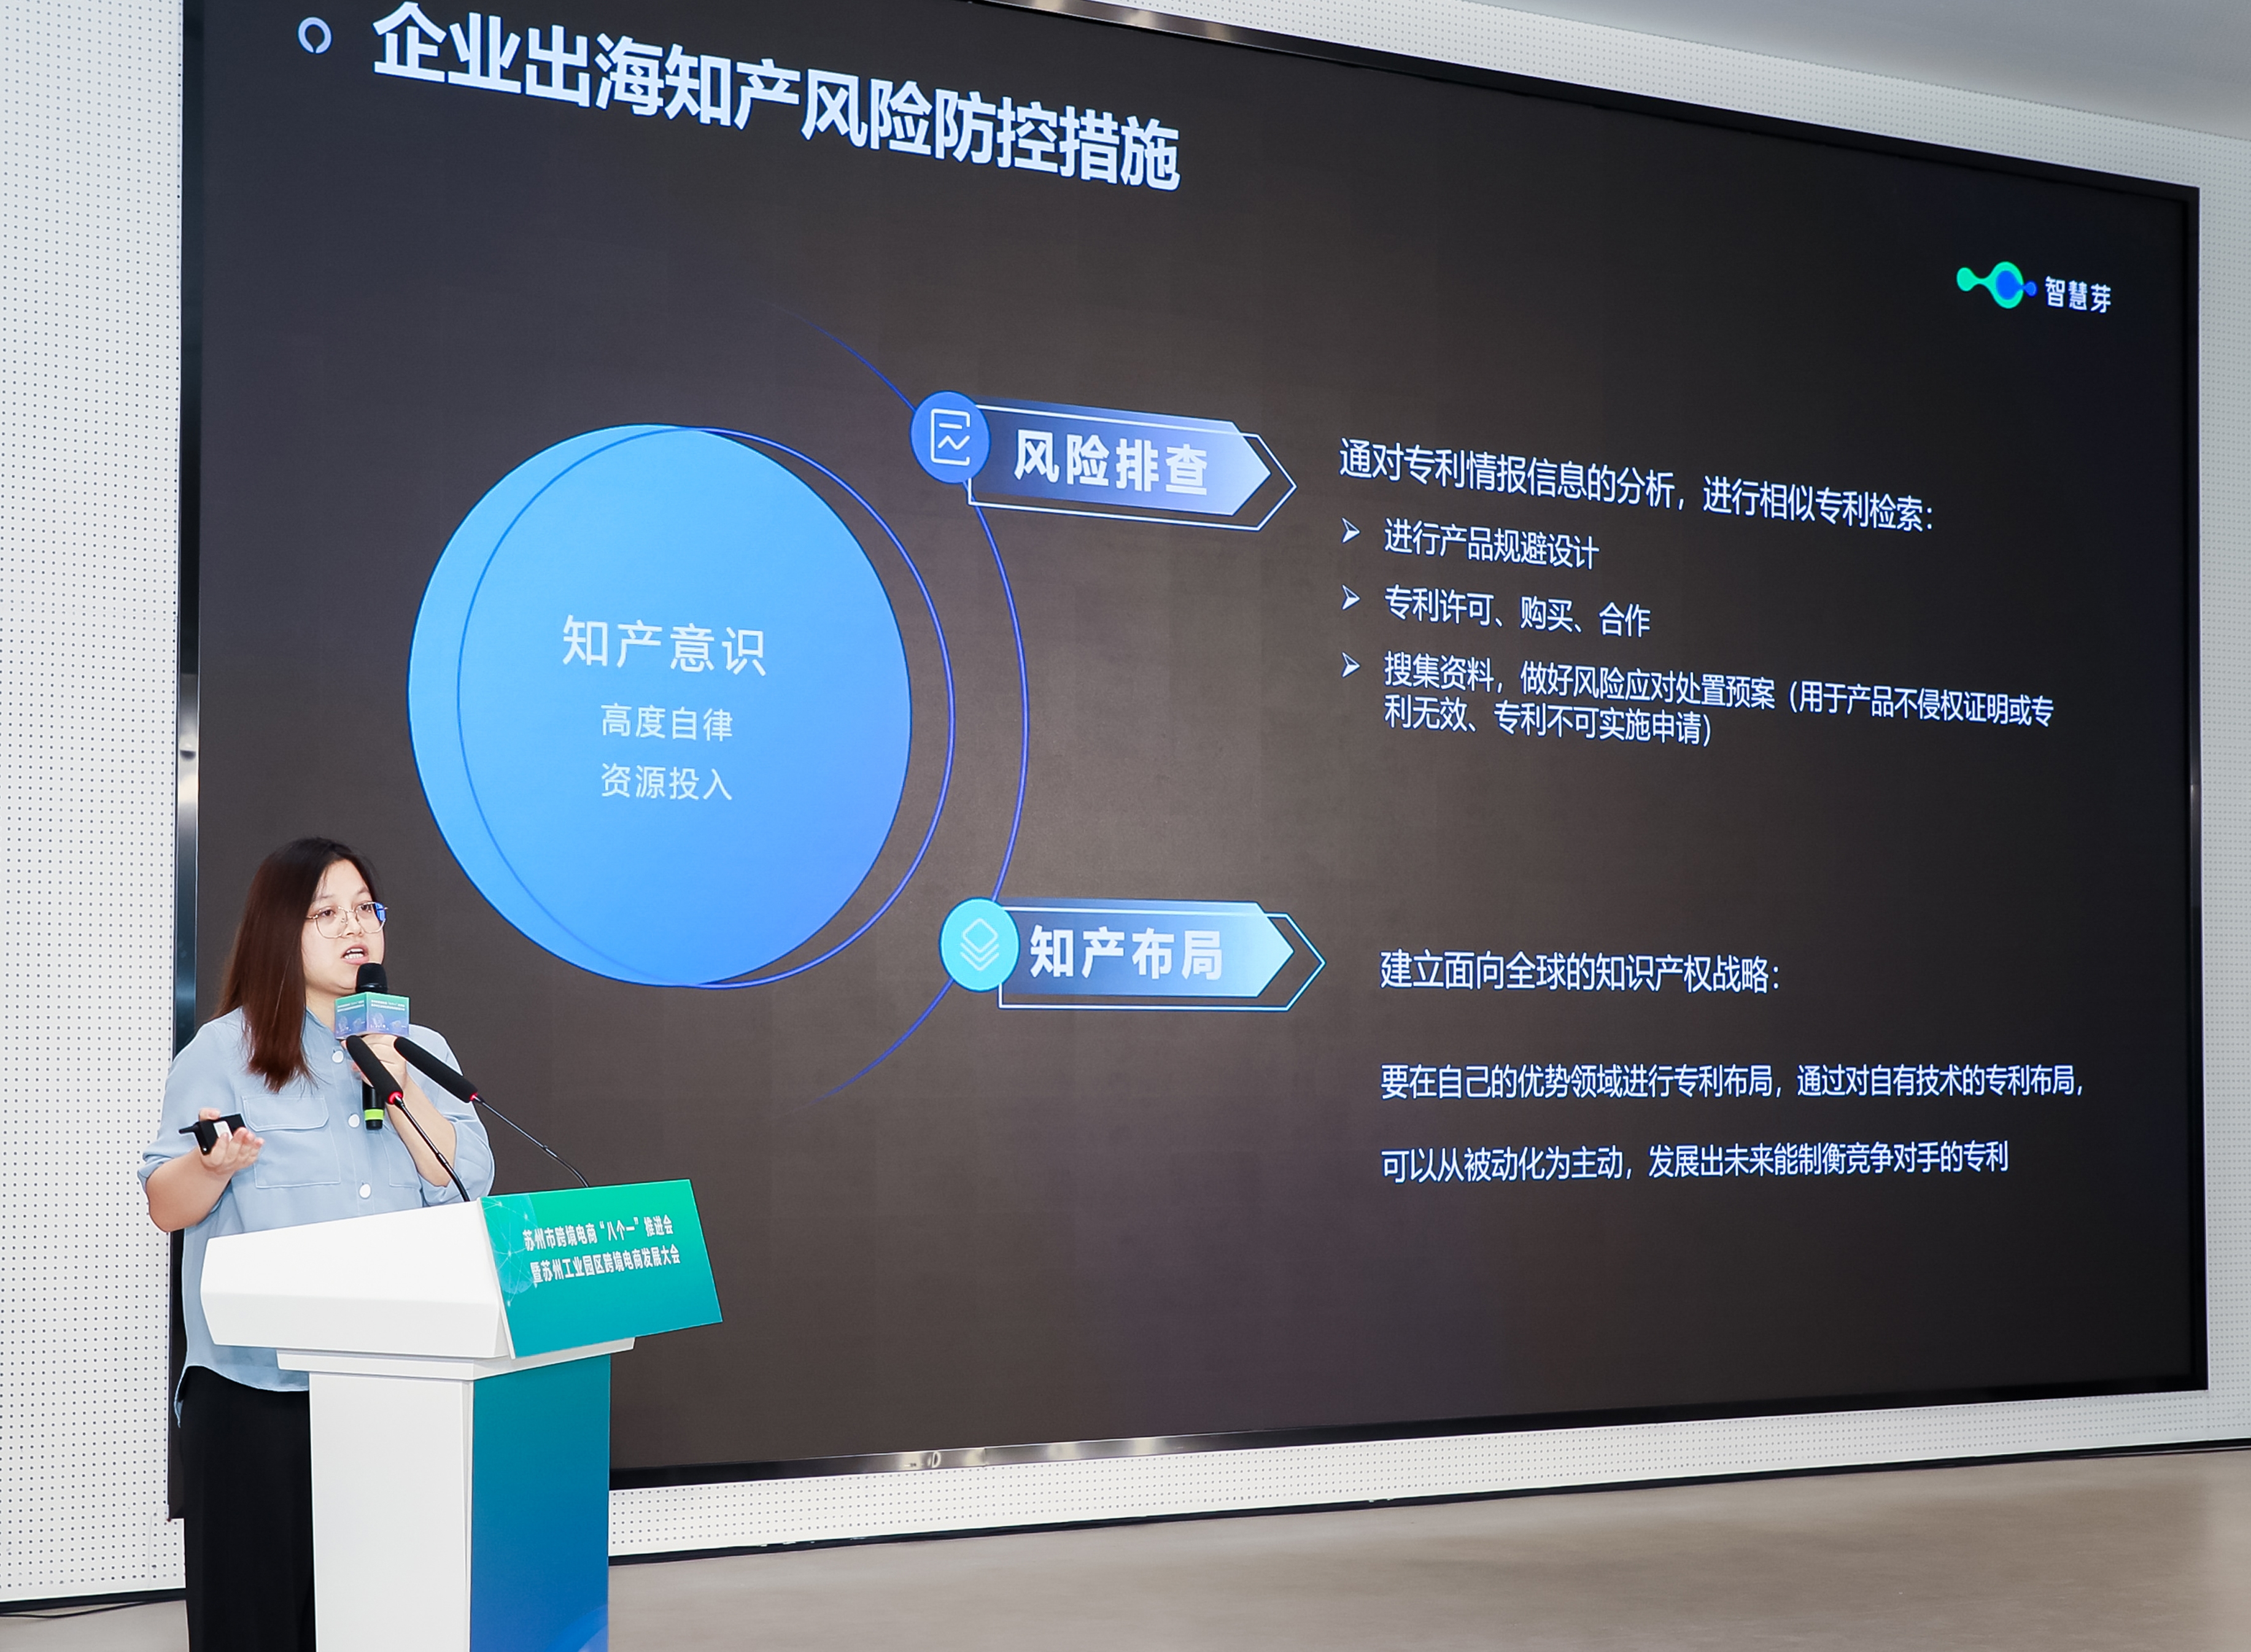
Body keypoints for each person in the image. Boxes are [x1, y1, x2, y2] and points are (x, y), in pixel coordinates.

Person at [141, 838, 494, 1651]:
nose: (354, 927)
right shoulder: (224, 1053)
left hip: (396, 1392)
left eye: (366, 908)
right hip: (257, 1396)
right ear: (279, 930)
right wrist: (212, 1166)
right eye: (326, 913)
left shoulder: (421, 1050)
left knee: (385, 1621)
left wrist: (394, 1080)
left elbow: (466, 1184)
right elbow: (165, 1204)